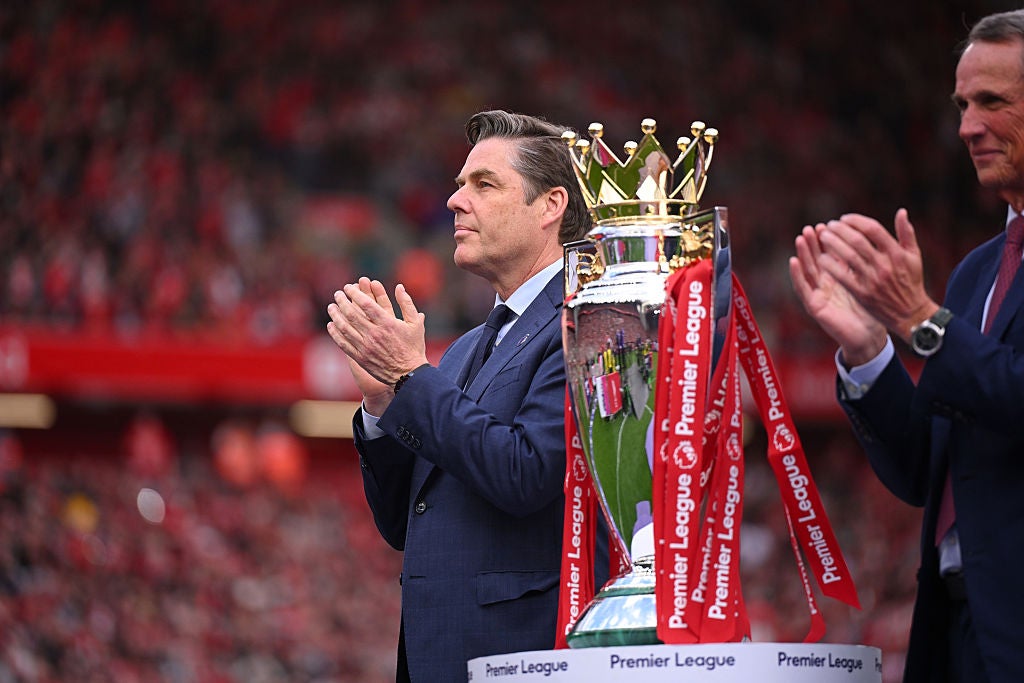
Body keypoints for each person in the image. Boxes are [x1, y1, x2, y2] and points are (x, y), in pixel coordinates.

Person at [326, 110, 606, 682]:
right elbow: (405, 524)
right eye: (459, 185)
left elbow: (526, 473)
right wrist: (383, 404)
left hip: (522, 659)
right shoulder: (461, 351)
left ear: (550, 205)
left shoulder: (588, 321)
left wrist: (411, 376)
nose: (455, 201)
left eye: (484, 184)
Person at [789, 10, 1024, 683]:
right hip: (957, 629)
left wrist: (923, 320)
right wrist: (869, 350)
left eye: (992, 102)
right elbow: (926, 468)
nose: (967, 127)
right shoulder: (978, 272)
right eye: (962, 105)